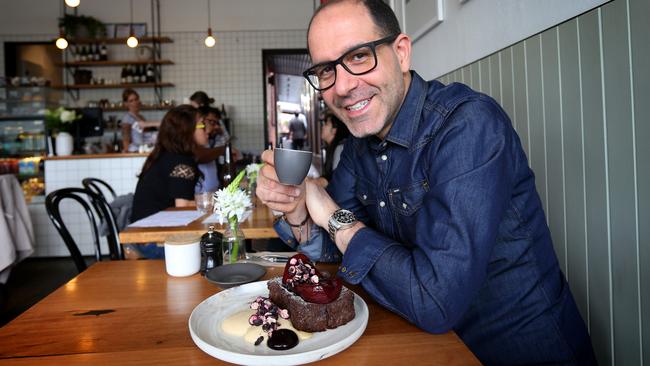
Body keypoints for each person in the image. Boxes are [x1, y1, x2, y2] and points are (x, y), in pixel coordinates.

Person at [256, 1, 596, 365]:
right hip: (425, 346)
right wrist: (300, 215)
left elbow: (435, 301)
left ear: (401, 53)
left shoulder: (468, 126)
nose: (342, 86)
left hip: (517, 351)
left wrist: (331, 214)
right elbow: (336, 250)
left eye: (358, 57)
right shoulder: (359, 146)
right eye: (326, 70)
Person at [130, 106, 201, 258]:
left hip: (143, 234)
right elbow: (182, 207)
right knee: (217, 247)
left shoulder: (164, 155)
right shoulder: (182, 163)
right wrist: (217, 204)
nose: (207, 129)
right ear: (187, 131)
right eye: (202, 124)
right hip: (154, 240)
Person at [316, 113, 350, 187]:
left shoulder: (340, 148)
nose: (323, 127)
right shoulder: (331, 148)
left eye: (326, 124)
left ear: (334, 130)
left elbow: (338, 179)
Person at [194, 109, 220, 193]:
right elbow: (199, 156)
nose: (216, 127)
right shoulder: (190, 146)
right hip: (201, 199)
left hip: (210, 196)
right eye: (212, 122)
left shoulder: (208, 139)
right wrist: (224, 149)